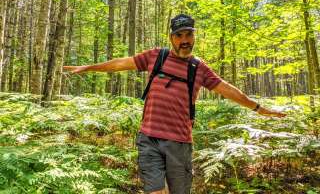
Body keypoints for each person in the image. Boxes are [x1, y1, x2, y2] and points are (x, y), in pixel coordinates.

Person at [63, 14, 286, 194]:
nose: (184, 40)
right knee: (156, 190)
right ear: (172, 38)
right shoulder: (155, 57)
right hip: (148, 138)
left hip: (179, 143)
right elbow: (121, 63)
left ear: (194, 37)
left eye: (189, 34)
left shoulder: (199, 68)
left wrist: (259, 108)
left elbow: (227, 89)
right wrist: (89, 67)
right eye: (179, 35)